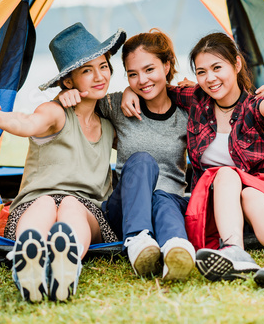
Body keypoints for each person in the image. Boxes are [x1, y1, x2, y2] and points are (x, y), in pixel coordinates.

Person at [123, 32, 264, 287]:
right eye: (201, 71)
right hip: (218, 202)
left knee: (239, 184)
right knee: (226, 177)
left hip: (262, 190)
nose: (210, 78)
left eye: (217, 68)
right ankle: (247, 252)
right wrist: (128, 90)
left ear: (236, 64)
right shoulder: (196, 99)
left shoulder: (253, 105)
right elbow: (155, 86)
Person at [0, 22, 126, 302]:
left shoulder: (109, 127)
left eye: (103, 66)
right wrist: (2, 119)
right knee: (46, 202)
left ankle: (64, 256)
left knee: (72, 204)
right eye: (87, 70)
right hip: (34, 206)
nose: (99, 76)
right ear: (68, 81)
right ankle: (29, 251)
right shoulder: (55, 112)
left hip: (88, 211)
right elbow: (29, 122)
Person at [57, 29, 196, 281]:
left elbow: (230, 103)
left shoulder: (186, 112)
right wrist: (64, 95)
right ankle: (137, 241)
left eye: (149, 69)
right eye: (133, 74)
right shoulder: (117, 105)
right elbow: (83, 96)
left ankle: (177, 249)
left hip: (170, 206)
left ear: (167, 66)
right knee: (142, 160)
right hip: (125, 210)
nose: (142, 80)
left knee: (163, 199)